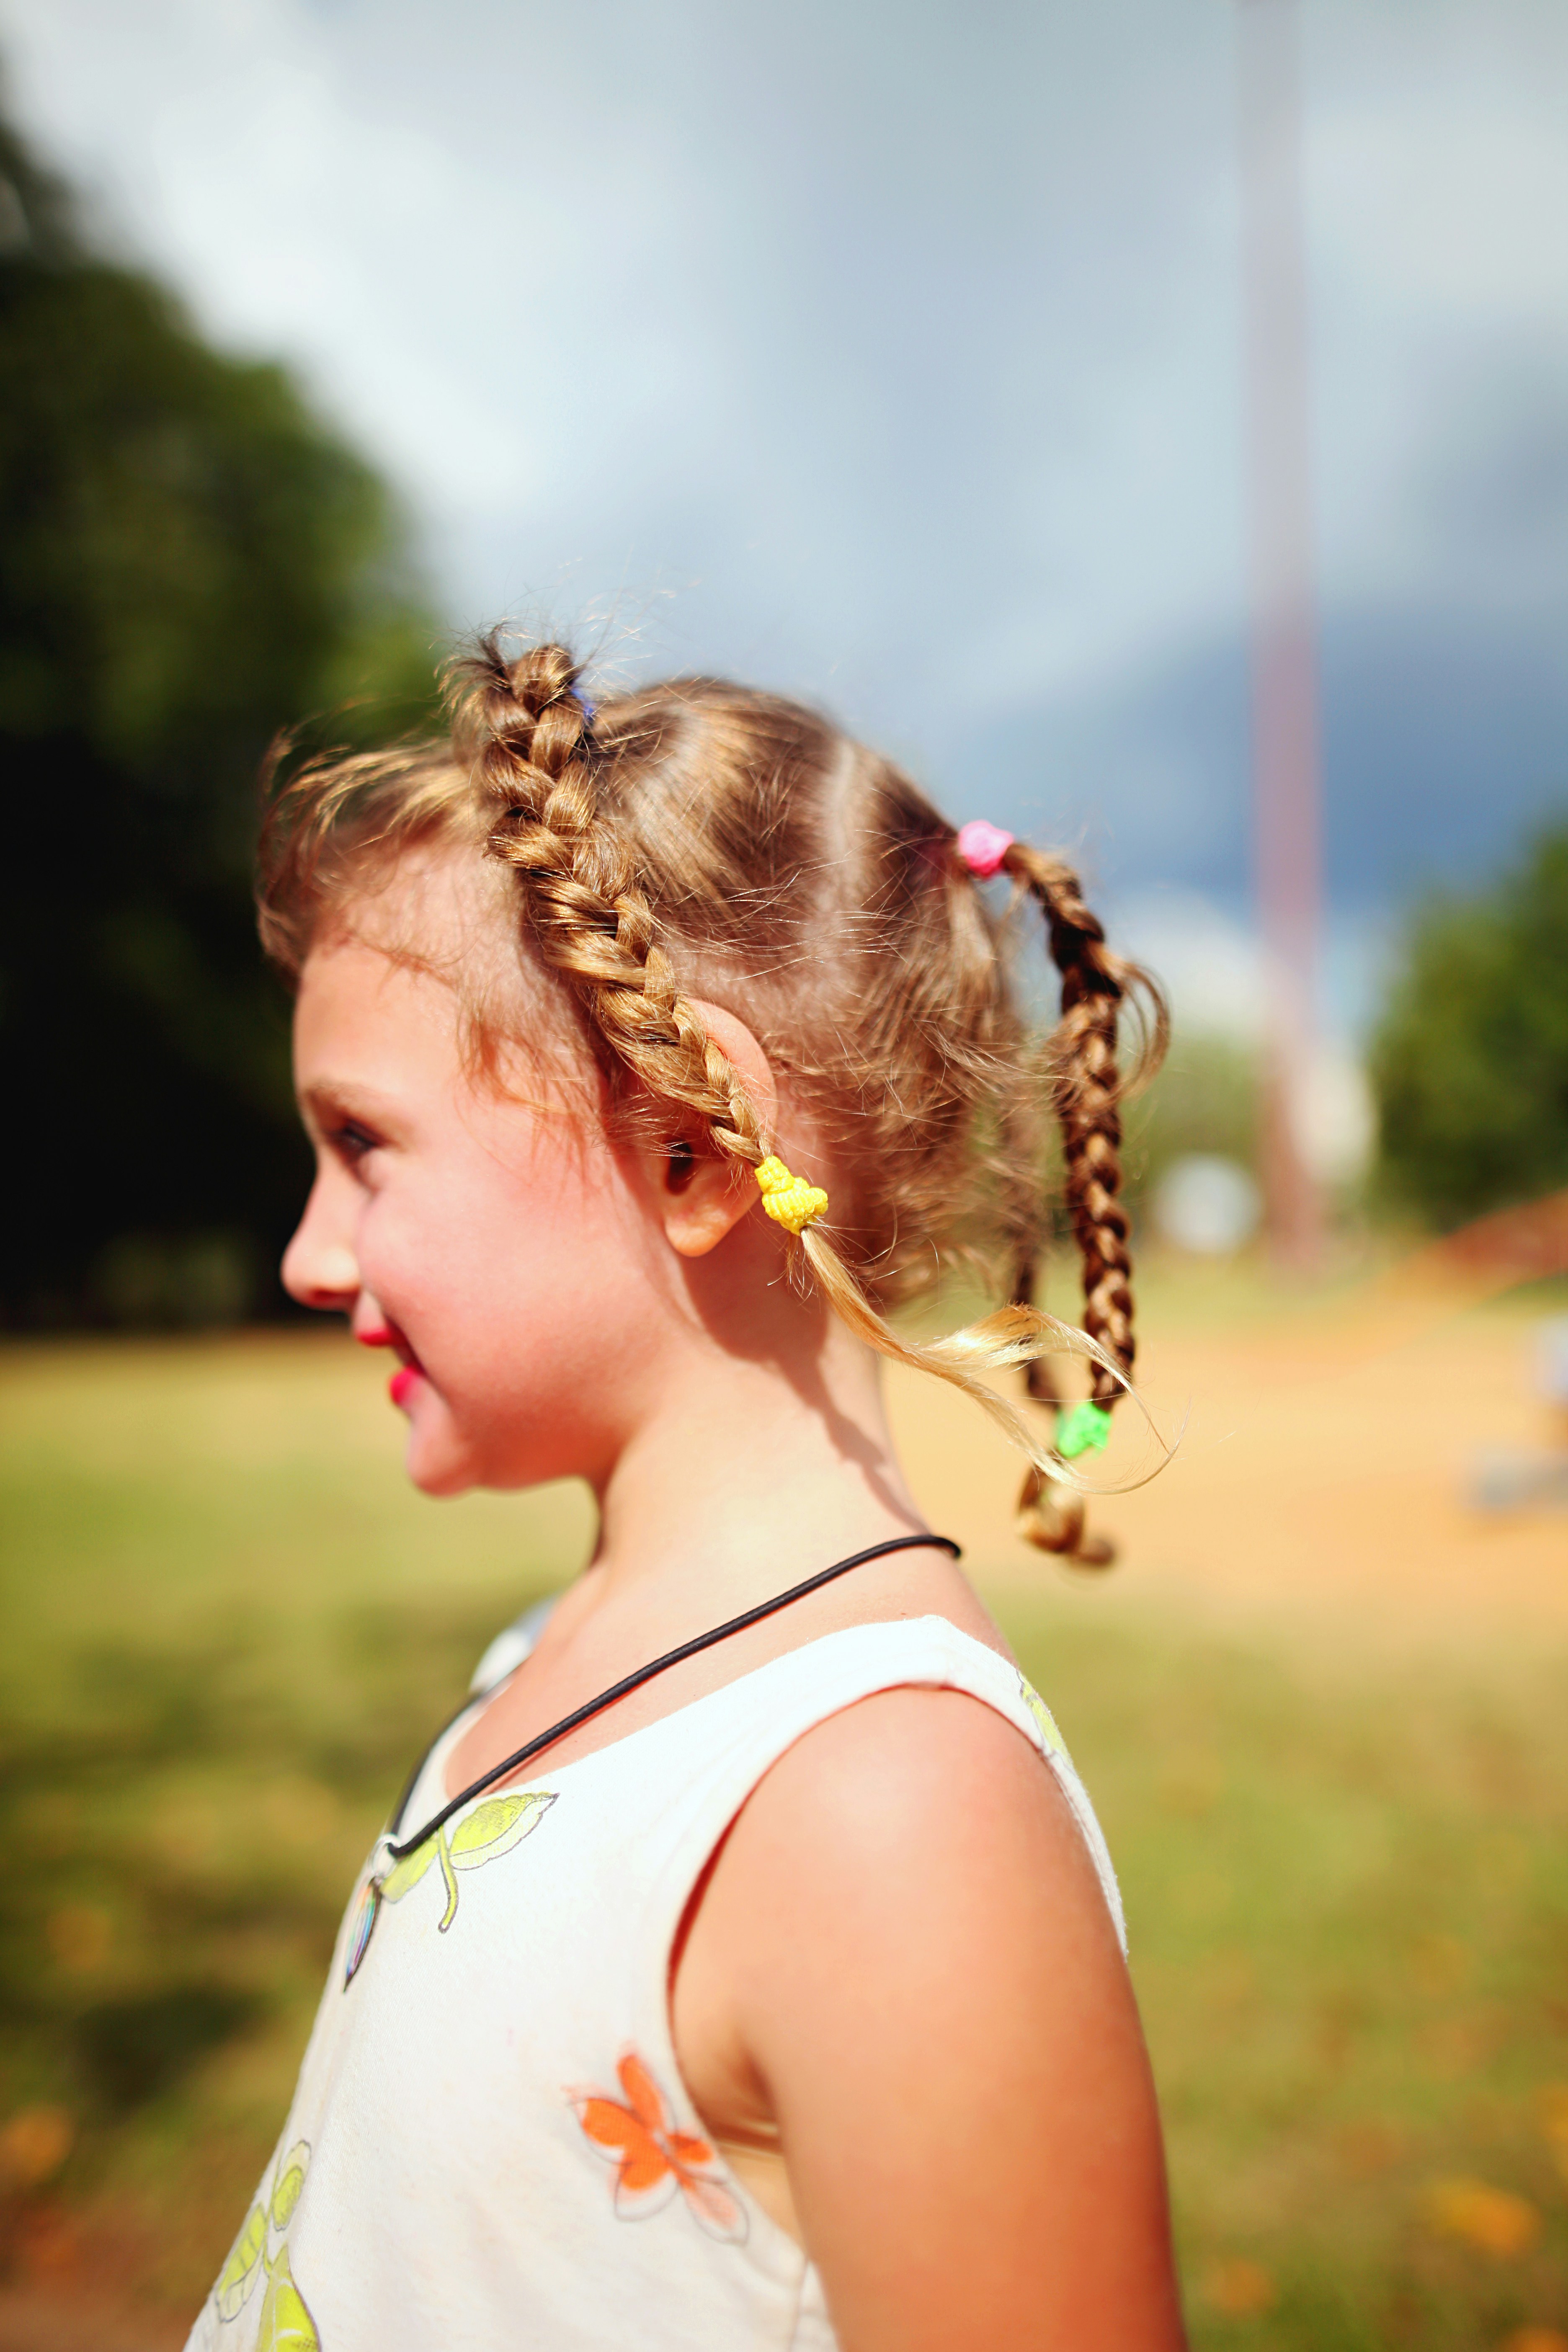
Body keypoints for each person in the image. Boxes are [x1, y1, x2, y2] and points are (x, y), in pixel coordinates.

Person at [188, 637, 1187, 2352]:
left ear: (692, 1147)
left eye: (361, 1146)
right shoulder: (566, 1643)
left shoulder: (887, 1814)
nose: (307, 1252)